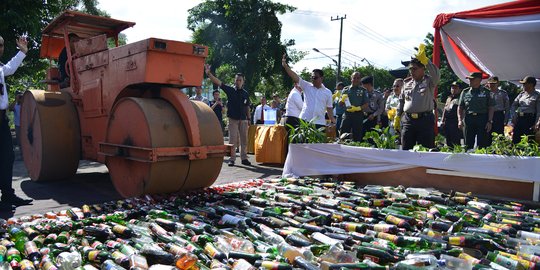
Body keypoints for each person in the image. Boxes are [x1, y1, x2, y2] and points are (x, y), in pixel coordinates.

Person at [0, 35, 33, 209]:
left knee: (7, 157)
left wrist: (22, 52)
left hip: (2, 119)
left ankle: (7, 195)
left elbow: (10, 68)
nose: (0, 48)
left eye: (1, 45)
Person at [204, 64, 251, 166]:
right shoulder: (230, 90)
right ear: (234, 81)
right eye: (237, 80)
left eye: (240, 80)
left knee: (244, 140)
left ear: (243, 82)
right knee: (232, 140)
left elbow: (247, 106)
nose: (238, 81)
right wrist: (209, 74)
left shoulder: (245, 93)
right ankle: (232, 158)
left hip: (243, 119)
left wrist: (249, 118)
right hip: (233, 119)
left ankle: (244, 158)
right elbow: (218, 82)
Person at [396, 44, 440, 150]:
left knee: (426, 150)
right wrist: (397, 116)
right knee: (406, 149)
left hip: (424, 120)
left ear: (423, 69)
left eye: (415, 69)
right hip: (408, 120)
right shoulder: (406, 82)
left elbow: (436, 75)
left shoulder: (429, 81)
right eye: (410, 69)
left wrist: (426, 61)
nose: (412, 71)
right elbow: (401, 101)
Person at [281, 54, 335, 129]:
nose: (313, 79)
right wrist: (285, 66)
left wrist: (332, 120)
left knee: (319, 141)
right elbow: (295, 76)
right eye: (312, 77)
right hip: (305, 121)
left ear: (321, 78)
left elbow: (329, 108)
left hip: (319, 123)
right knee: (303, 141)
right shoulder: (307, 86)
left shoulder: (328, 92)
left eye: (315, 77)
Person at [457, 72, 495, 150]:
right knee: (468, 143)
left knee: (482, 144)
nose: (470, 81)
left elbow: (491, 107)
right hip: (469, 119)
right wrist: (460, 120)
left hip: (482, 119)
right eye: (469, 79)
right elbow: (460, 107)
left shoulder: (486, 92)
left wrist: (490, 121)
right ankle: (468, 160)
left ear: (479, 80)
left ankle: (482, 161)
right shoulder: (465, 92)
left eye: (472, 79)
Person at [509, 76, 539, 144]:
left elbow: (539, 111)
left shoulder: (537, 95)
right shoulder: (521, 94)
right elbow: (514, 105)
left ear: (531, 84)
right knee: (516, 138)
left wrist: (536, 123)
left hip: (530, 119)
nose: (523, 85)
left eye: (525, 84)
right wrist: (514, 115)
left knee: (529, 140)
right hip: (520, 119)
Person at [339, 72, 369, 141]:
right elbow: (340, 104)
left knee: (357, 135)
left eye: (358, 78)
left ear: (360, 79)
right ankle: (342, 150)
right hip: (347, 114)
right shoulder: (346, 89)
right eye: (354, 78)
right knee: (343, 134)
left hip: (358, 115)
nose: (356, 79)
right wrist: (342, 100)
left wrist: (358, 108)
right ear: (351, 79)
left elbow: (367, 103)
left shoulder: (363, 90)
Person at [361, 76, 384, 140]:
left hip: (373, 118)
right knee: (362, 136)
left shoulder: (378, 94)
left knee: (373, 138)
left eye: (363, 84)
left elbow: (381, 108)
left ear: (368, 84)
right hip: (362, 116)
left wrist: (374, 115)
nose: (362, 86)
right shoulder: (361, 93)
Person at [440, 81, 462, 147]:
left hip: (455, 121)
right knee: (447, 140)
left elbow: (462, 110)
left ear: (460, 89)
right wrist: (442, 120)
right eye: (452, 88)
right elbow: (445, 109)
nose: (453, 89)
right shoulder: (449, 98)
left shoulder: (460, 98)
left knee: (455, 141)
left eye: (455, 88)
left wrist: (460, 121)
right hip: (447, 121)